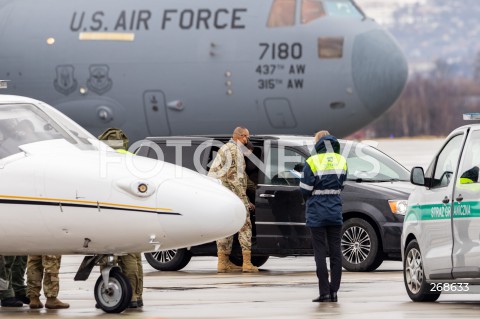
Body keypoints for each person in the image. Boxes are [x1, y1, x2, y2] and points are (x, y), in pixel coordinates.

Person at [98, 128, 144, 308]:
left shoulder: (102, 163)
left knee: (108, 258)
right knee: (134, 258)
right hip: (135, 217)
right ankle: (135, 296)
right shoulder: (133, 161)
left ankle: (113, 291)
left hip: (110, 217)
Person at [300, 130, 347, 302]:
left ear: (318, 142)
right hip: (335, 211)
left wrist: (310, 199)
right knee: (336, 252)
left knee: (320, 252)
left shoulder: (312, 161)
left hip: (316, 213)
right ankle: (334, 292)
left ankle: (324, 292)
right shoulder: (341, 160)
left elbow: (304, 188)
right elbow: (342, 185)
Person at [208, 127, 258, 273]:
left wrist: (256, 187)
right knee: (245, 225)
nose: (248, 139)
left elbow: (242, 177)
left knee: (226, 228)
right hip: (231, 196)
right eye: (247, 137)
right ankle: (247, 263)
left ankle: (223, 262)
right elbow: (235, 179)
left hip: (222, 196)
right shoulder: (235, 151)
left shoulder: (225, 148)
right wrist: (245, 201)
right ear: (242, 137)